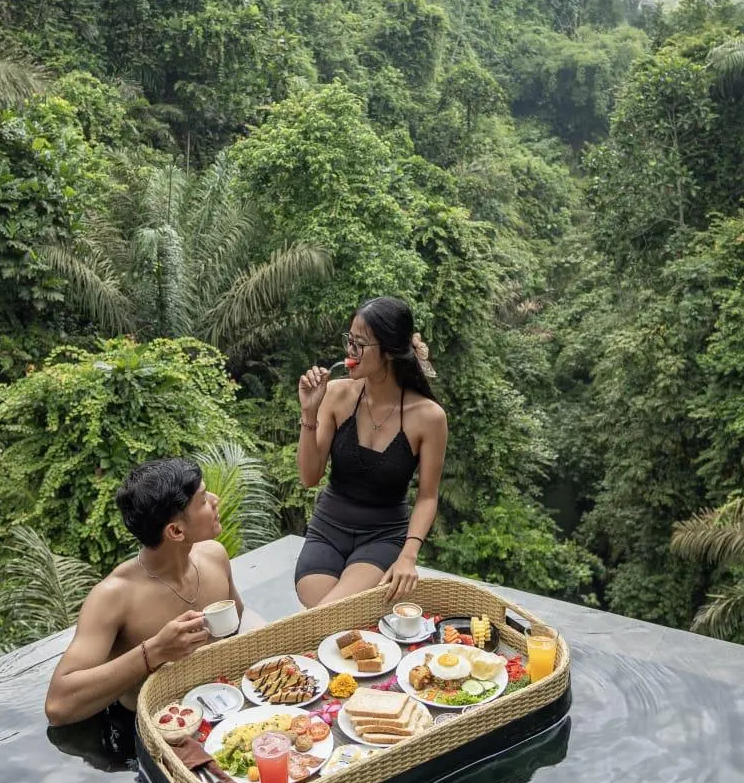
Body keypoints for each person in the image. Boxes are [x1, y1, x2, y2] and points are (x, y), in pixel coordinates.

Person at [44, 457, 248, 758]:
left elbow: (239, 623)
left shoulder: (214, 557)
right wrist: (154, 651)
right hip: (148, 736)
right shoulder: (114, 597)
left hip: (223, 711)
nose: (216, 500)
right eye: (204, 500)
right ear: (175, 531)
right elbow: (58, 705)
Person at [295, 296, 448, 609]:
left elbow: (428, 497)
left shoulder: (428, 417)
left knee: (328, 615)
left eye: (360, 344)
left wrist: (408, 556)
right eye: (349, 341)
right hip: (327, 530)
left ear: (389, 351)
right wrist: (309, 413)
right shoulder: (335, 394)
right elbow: (309, 477)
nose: (350, 352)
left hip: (382, 536)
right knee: (329, 615)